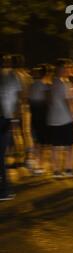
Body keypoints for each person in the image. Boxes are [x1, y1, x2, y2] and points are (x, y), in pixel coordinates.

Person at [47, 59, 73, 178]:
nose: (69, 69)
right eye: (67, 67)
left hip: (53, 118)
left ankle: (56, 171)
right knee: (69, 146)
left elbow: (49, 101)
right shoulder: (65, 83)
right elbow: (68, 101)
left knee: (55, 146)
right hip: (66, 119)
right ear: (61, 69)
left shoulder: (51, 83)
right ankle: (68, 169)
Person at [0, 53, 22, 200]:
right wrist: (15, 119)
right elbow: (19, 98)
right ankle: (6, 188)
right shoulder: (13, 76)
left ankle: (6, 189)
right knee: (1, 154)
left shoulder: (10, 76)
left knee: (1, 155)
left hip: (3, 119)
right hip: (7, 119)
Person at [28, 64, 52, 175]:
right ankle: (39, 166)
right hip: (42, 117)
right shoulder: (45, 86)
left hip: (34, 116)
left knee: (35, 141)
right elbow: (49, 102)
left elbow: (29, 101)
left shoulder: (32, 85)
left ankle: (33, 164)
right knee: (42, 143)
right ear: (46, 74)